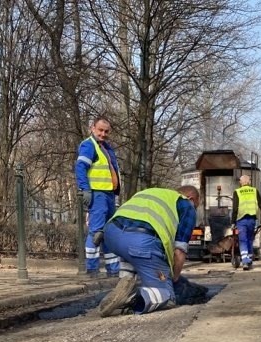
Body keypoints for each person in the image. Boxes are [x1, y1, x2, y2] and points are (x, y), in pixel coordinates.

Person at [98, 185, 204, 317]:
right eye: (196, 205)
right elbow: (179, 251)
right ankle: (132, 299)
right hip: (141, 241)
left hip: (111, 234)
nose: (194, 208)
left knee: (132, 254)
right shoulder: (186, 205)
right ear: (191, 198)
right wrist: (174, 279)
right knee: (168, 297)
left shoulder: (150, 193)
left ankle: (126, 281)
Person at [74, 116, 122, 277]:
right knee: (96, 232)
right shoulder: (89, 145)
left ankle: (113, 270)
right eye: (100, 130)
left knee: (109, 233)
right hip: (98, 194)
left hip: (108, 194)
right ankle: (92, 269)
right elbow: (80, 167)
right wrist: (85, 189)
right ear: (92, 128)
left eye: (106, 131)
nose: (103, 134)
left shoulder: (106, 148)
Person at [231, 175, 261, 270]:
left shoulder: (237, 192)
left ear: (241, 182)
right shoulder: (254, 191)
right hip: (252, 220)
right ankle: (250, 259)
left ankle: (245, 261)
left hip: (241, 220)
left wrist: (233, 222)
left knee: (242, 240)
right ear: (249, 182)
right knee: (250, 239)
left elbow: (235, 208)